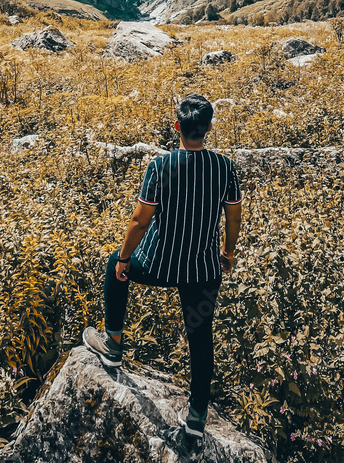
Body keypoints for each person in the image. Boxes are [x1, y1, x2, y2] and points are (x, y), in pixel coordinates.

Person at [83, 93, 243, 440]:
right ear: (209, 128)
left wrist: (125, 258)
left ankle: (112, 345)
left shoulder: (160, 166)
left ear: (177, 127)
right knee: (200, 340)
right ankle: (196, 422)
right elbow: (233, 217)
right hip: (202, 270)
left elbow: (140, 222)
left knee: (114, 264)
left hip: (157, 264)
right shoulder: (225, 167)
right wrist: (227, 253)